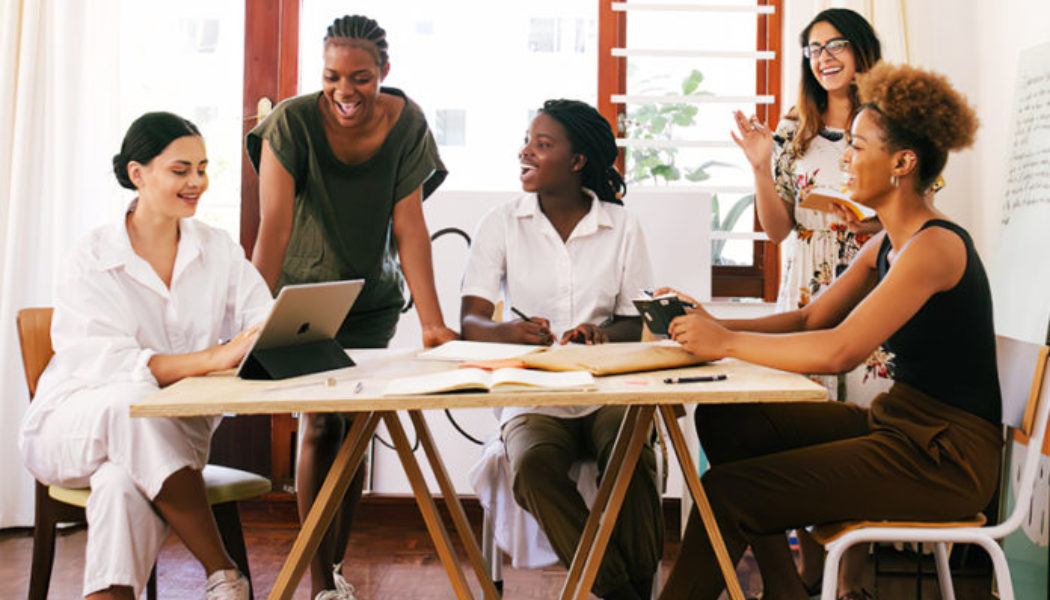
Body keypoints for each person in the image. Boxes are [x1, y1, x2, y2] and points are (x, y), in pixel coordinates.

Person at [657, 63, 995, 600]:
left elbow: (840, 351)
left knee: (728, 491)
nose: (845, 158)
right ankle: (787, 588)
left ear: (903, 163)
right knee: (729, 423)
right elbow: (812, 319)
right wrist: (712, 322)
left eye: (858, 147)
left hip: (943, 462)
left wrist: (724, 344)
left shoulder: (936, 246)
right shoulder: (884, 243)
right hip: (899, 429)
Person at [19, 112, 273, 600]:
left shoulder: (217, 248)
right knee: (129, 404)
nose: (196, 181)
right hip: (73, 426)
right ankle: (223, 572)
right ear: (138, 173)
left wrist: (261, 338)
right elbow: (109, 366)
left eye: (202, 168)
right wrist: (212, 358)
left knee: (119, 486)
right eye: (181, 170)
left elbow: (261, 318)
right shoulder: (90, 257)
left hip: (173, 437)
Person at [245, 15, 456, 599]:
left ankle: (332, 574)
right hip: (303, 297)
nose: (345, 91)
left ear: (384, 73)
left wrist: (432, 322)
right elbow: (274, 232)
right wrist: (250, 318)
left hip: (370, 303)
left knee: (355, 430)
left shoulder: (407, 123)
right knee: (319, 425)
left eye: (361, 77)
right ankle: (318, 581)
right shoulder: (289, 123)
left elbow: (410, 226)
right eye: (332, 76)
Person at [460, 99, 661, 600]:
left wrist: (600, 335)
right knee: (531, 468)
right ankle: (622, 593)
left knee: (633, 455)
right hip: (534, 391)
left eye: (542, 144)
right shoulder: (501, 223)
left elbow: (636, 321)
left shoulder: (621, 226)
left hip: (605, 389)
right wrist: (508, 332)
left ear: (576, 162)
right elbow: (470, 321)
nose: (525, 152)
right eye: (528, 141)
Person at [730, 9, 887, 591]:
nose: (823, 57)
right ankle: (807, 579)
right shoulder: (793, 130)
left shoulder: (890, 125)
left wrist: (867, 224)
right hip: (804, 286)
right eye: (813, 48)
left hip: (870, 281)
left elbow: (914, 214)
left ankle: (850, 585)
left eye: (836, 45)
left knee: (858, 439)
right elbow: (776, 231)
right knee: (808, 431)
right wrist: (759, 168)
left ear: (862, 51)